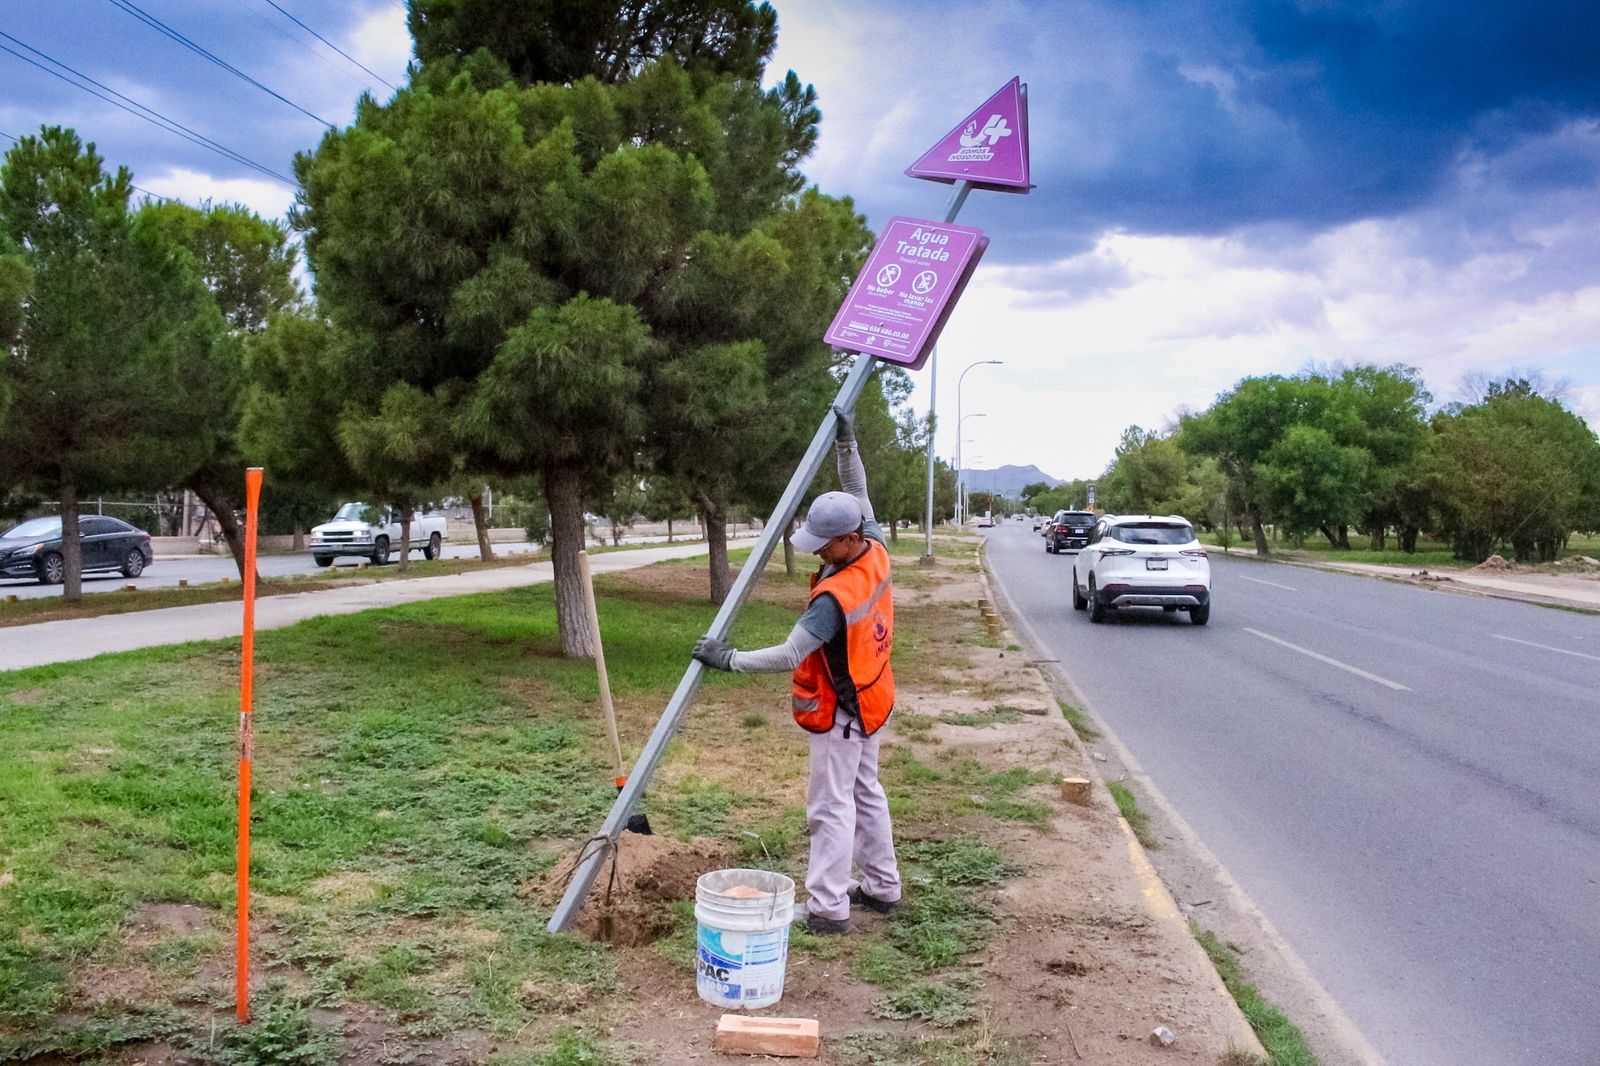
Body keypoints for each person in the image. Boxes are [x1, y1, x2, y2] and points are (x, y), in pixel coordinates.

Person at [692, 406, 901, 935]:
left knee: (830, 809)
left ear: (849, 539)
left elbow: (789, 655)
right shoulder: (873, 548)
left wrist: (729, 659)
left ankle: (829, 908)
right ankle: (882, 887)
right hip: (873, 701)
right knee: (866, 794)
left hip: (843, 713)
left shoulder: (835, 598)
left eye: (825, 544)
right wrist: (847, 443)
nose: (818, 551)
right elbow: (860, 488)